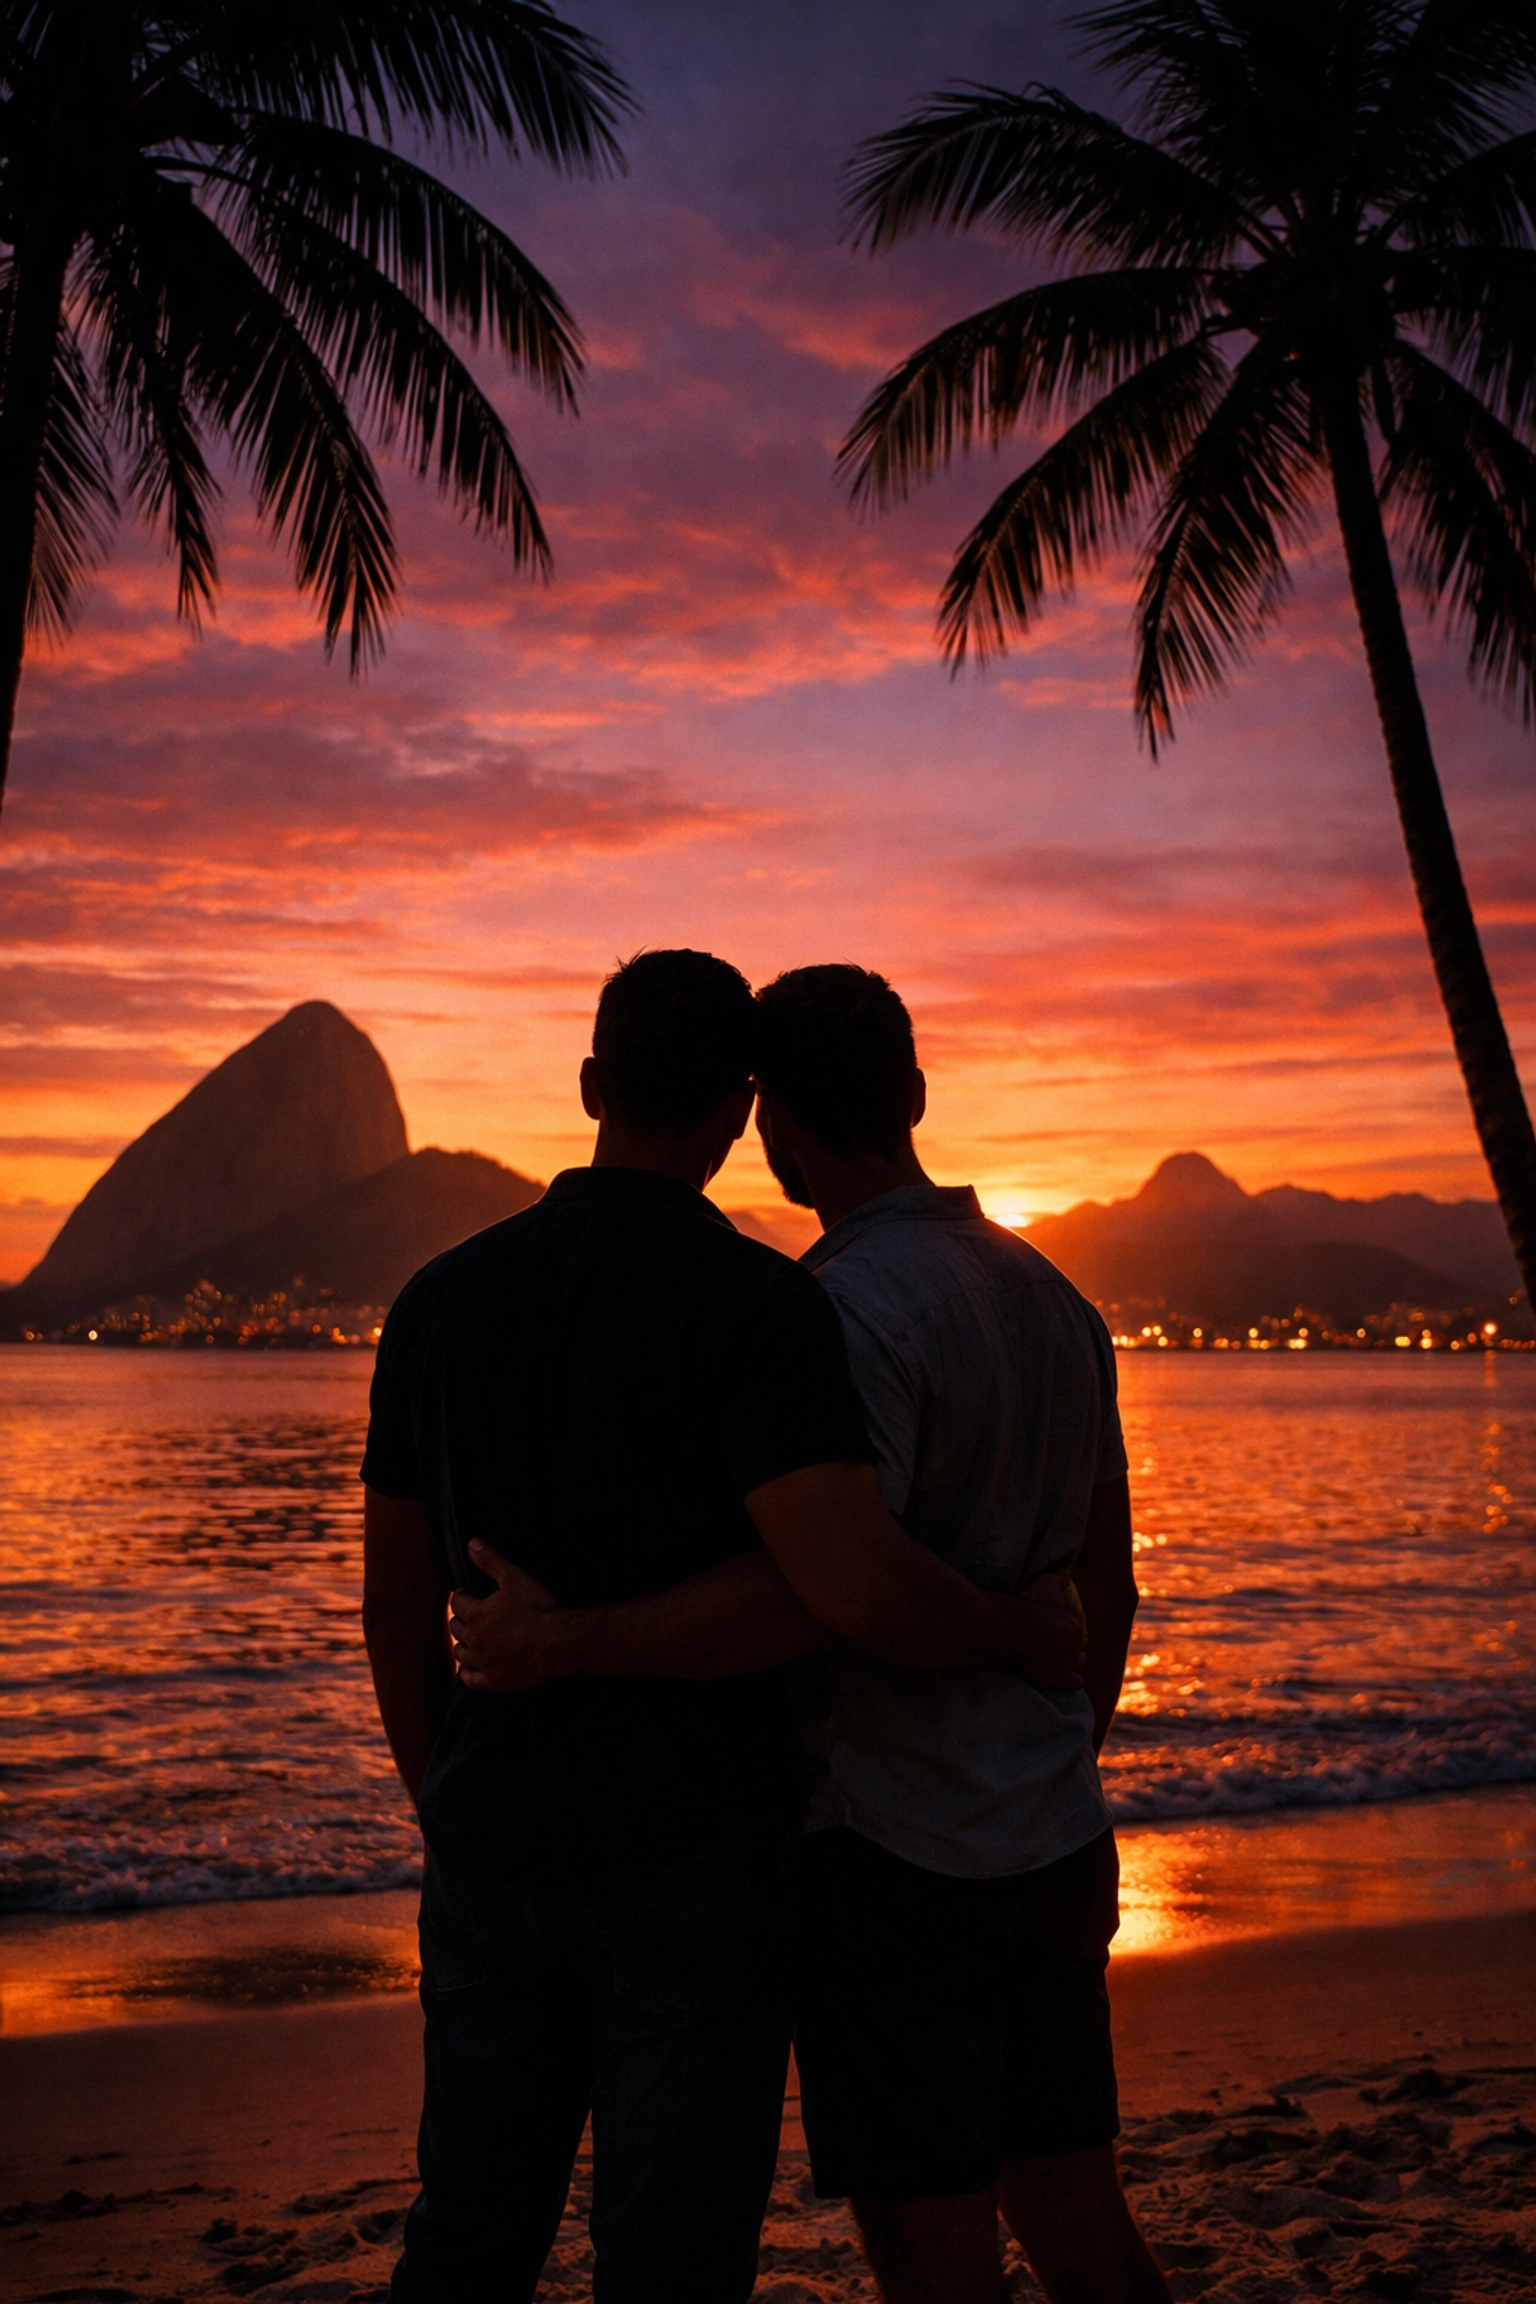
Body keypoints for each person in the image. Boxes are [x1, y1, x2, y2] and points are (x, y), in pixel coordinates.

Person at [361, 948, 1089, 2304]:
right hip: (693, 1862)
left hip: (493, 1846)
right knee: (672, 2259)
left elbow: (395, 1599)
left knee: (466, 2235)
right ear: (735, 1111)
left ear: (591, 1084)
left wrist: (446, 1791)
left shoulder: (438, 1303)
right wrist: (1017, 1635)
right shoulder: (757, 1308)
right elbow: (825, 1586)